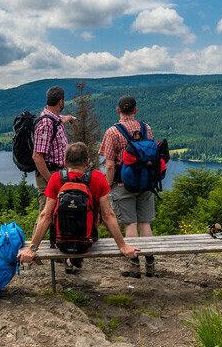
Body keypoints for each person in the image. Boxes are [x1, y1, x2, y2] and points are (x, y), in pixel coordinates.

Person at [18, 142, 140, 268]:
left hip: (61, 243)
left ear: (65, 162)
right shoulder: (98, 178)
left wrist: (32, 248)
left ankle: (69, 261)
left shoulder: (56, 178)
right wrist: (122, 246)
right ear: (87, 162)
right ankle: (72, 261)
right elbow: (108, 216)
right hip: (87, 242)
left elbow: (45, 216)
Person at [98, 95, 156, 278]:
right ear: (135, 110)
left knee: (130, 224)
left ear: (118, 110)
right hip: (145, 183)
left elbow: (109, 165)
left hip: (123, 185)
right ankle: (150, 262)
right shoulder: (146, 129)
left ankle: (134, 265)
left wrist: (107, 186)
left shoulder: (112, 132)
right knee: (145, 223)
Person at [32, 86, 75, 248]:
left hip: (56, 172)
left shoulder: (54, 118)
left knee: (57, 210)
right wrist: (51, 181)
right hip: (48, 173)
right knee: (46, 212)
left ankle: (55, 245)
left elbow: (58, 119)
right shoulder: (46, 124)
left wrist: (68, 118)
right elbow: (37, 157)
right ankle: (32, 253)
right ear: (61, 102)